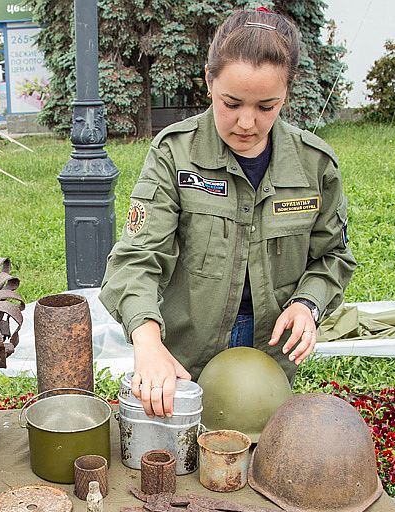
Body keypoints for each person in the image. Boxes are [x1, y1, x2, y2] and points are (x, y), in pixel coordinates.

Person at [100, 7, 355, 418]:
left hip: (269, 361)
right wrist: (148, 344)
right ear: (208, 80)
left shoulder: (314, 166)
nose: (247, 123)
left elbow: (333, 256)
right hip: (183, 359)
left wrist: (307, 304)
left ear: (286, 94)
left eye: (267, 107)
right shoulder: (175, 154)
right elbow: (136, 260)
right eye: (231, 103)